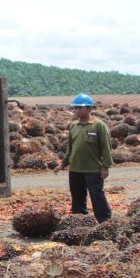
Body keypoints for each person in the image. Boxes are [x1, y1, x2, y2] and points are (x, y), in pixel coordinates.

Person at [53, 93, 113, 222]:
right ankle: (79, 220)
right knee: (77, 196)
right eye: (75, 108)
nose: (77, 110)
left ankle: (105, 221)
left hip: (93, 169)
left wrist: (105, 167)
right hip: (75, 168)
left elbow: (106, 147)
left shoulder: (98, 125)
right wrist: (63, 164)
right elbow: (70, 148)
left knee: (97, 195)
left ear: (89, 109)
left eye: (80, 108)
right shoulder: (74, 126)